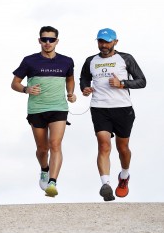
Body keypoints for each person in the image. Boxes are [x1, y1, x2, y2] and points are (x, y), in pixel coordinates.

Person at [79, 28, 146, 201]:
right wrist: (85, 89)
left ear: (115, 42)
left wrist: (122, 83)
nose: (104, 45)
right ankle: (105, 184)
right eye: (101, 41)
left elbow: (142, 81)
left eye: (107, 42)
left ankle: (124, 176)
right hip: (99, 108)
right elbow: (84, 79)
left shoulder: (126, 58)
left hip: (123, 108)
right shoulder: (90, 61)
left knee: (122, 148)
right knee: (103, 145)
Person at [12, 26, 77, 197]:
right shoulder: (29, 61)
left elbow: (70, 79)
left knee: (55, 144)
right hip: (37, 109)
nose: (47, 43)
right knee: (42, 148)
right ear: (39, 40)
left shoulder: (66, 61)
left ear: (57, 41)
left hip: (58, 108)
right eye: (44, 39)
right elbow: (15, 83)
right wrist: (26, 89)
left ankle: (53, 183)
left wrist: (70, 93)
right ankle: (44, 169)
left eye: (51, 40)